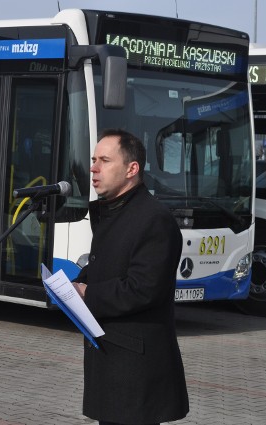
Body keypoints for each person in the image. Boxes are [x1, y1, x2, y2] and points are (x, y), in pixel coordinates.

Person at [72, 129, 189, 425]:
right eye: (93, 160)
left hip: (136, 372)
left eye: (105, 160)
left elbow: (143, 288)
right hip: (112, 363)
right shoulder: (113, 212)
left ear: (131, 169)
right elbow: (112, 265)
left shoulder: (154, 219)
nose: (94, 168)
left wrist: (88, 293)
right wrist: (75, 283)